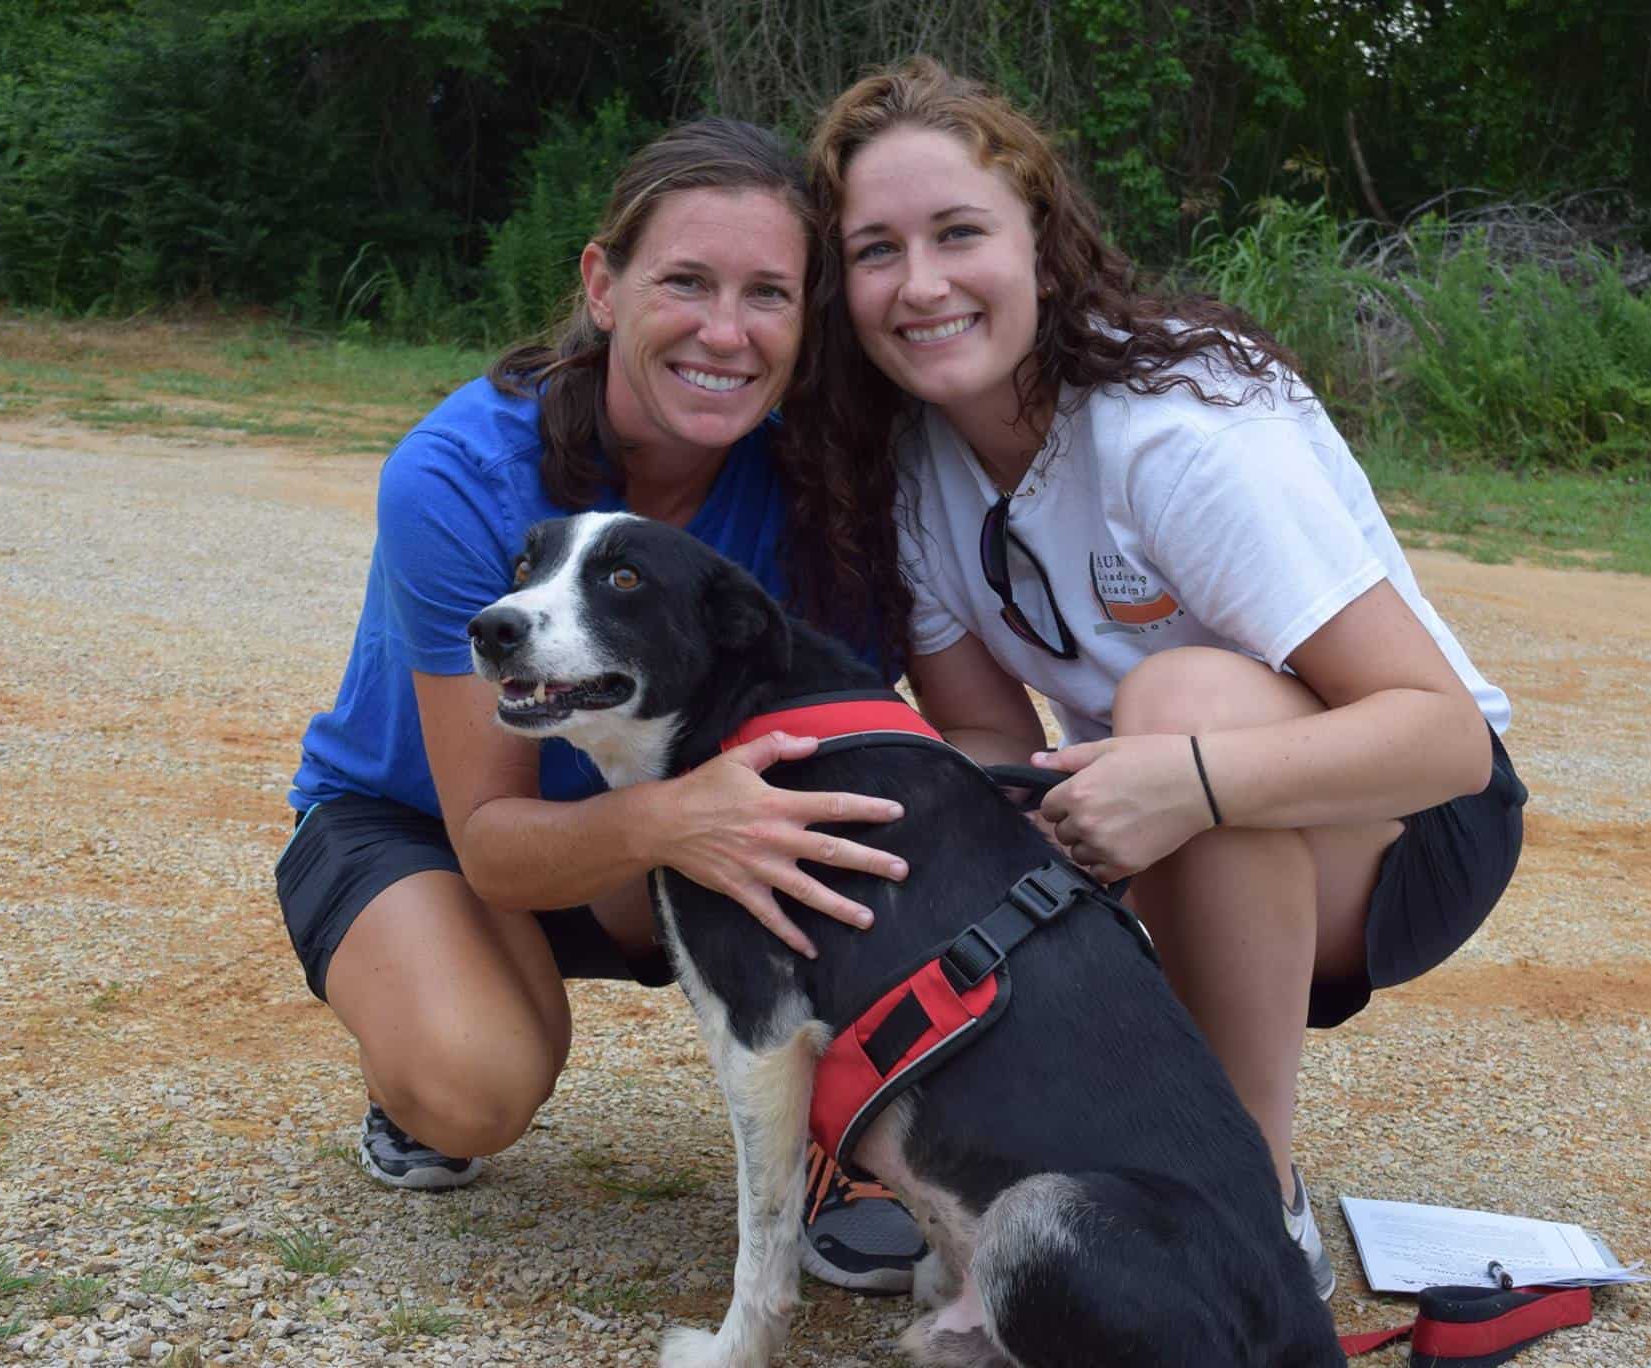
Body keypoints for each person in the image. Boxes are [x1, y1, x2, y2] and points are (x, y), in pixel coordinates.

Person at [793, 60, 1527, 1301]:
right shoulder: (915, 461)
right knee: (967, 792)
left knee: (1181, 706)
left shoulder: (1175, 430)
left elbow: (1444, 736)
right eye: (875, 250)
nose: (919, 285)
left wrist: (1177, 781)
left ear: (1041, 236)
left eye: (958, 232)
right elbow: (980, 732)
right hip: (1172, 803)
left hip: (1409, 822)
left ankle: (1247, 1215)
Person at [275, 118, 926, 1292]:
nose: (724, 332)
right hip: (433, 831)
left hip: (663, 831)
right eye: (685, 280)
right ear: (602, 285)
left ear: (806, 317)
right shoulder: (462, 471)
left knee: (848, 833)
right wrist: (681, 822)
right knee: (472, 1087)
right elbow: (495, 846)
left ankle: (852, 1137)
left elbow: (871, 753)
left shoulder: (815, 481)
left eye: (768, 294)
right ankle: (422, 1000)